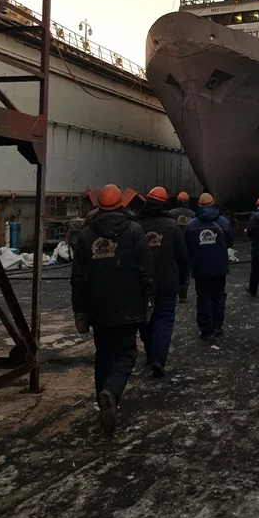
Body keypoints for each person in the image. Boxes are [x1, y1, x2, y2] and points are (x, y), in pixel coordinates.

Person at [71, 183, 154, 436]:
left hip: (98, 310)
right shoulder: (134, 231)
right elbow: (146, 272)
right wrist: (148, 302)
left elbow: (77, 279)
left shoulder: (86, 236)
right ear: (121, 204)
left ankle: (102, 401)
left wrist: (80, 312)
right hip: (128, 307)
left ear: (99, 205)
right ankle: (112, 393)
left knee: (103, 355)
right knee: (125, 355)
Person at [135, 185, 189, 377]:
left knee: (145, 318)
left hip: (142, 282)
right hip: (168, 281)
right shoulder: (172, 226)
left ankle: (150, 352)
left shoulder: (136, 226)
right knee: (164, 320)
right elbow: (182, 256)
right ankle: (159, 359)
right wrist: (182, 279)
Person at [184, 193, 233, 340]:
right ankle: (217, 325)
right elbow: (230, 242)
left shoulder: (191, 226)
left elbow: (187, 245)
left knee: (203, 297)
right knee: (218, 296)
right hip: (219, 267)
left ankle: (206, 329)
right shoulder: (224, 223)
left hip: (200, 268)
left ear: (199, 205)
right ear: (214, 204)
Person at [168, 191, 195, 301]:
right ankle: (183, 295)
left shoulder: (171, 213)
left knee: (174, 268)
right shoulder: (193, 214)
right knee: (186, 270)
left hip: (173, 245)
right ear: (188, 202)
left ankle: (173, 291)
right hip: (187, 245)